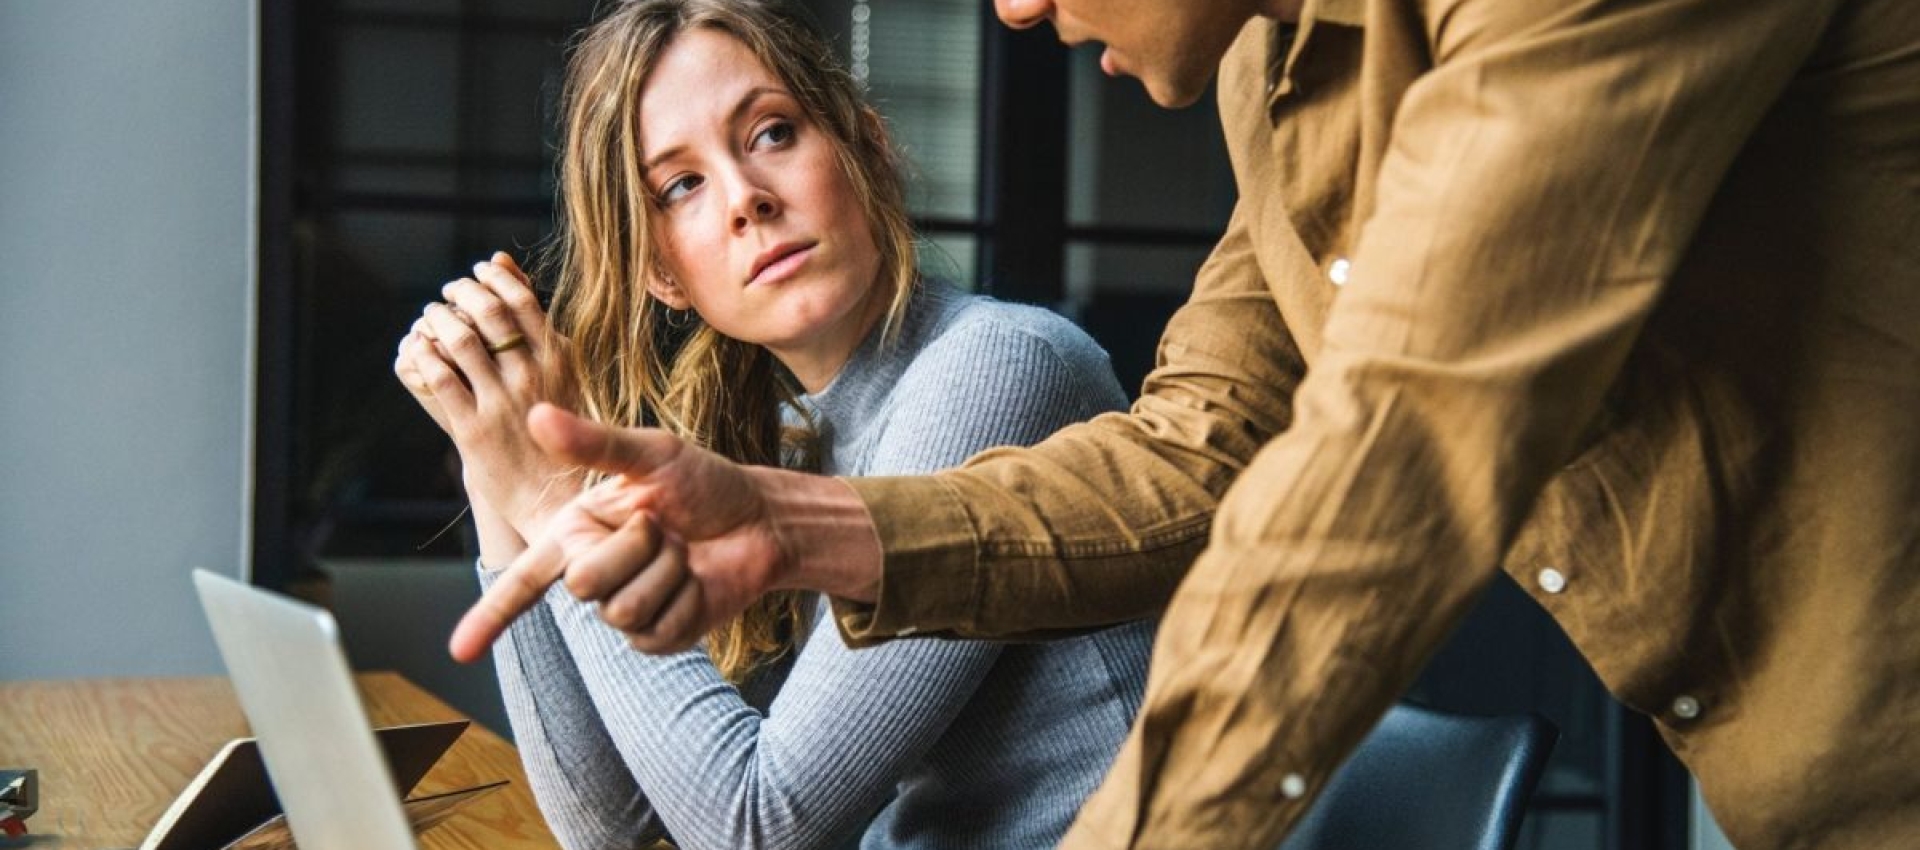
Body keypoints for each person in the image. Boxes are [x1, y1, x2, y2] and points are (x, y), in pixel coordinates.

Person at [455, 0, 1920, 847]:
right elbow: (1197, 449)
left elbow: (1399, 448)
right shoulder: (1271, 77)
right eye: (679, 186)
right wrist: (786, 524)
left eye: (772, 132)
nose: (1015, 7)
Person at [397, 2, 1155, 847]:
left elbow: (757, 829)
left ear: (867, 148)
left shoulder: (1001, 368)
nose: (746, 200)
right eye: (681, 185)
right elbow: (611, 830)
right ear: (662, 274)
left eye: (771, 134)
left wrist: (554, 500)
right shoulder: (787, 436)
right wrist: (494, 450)